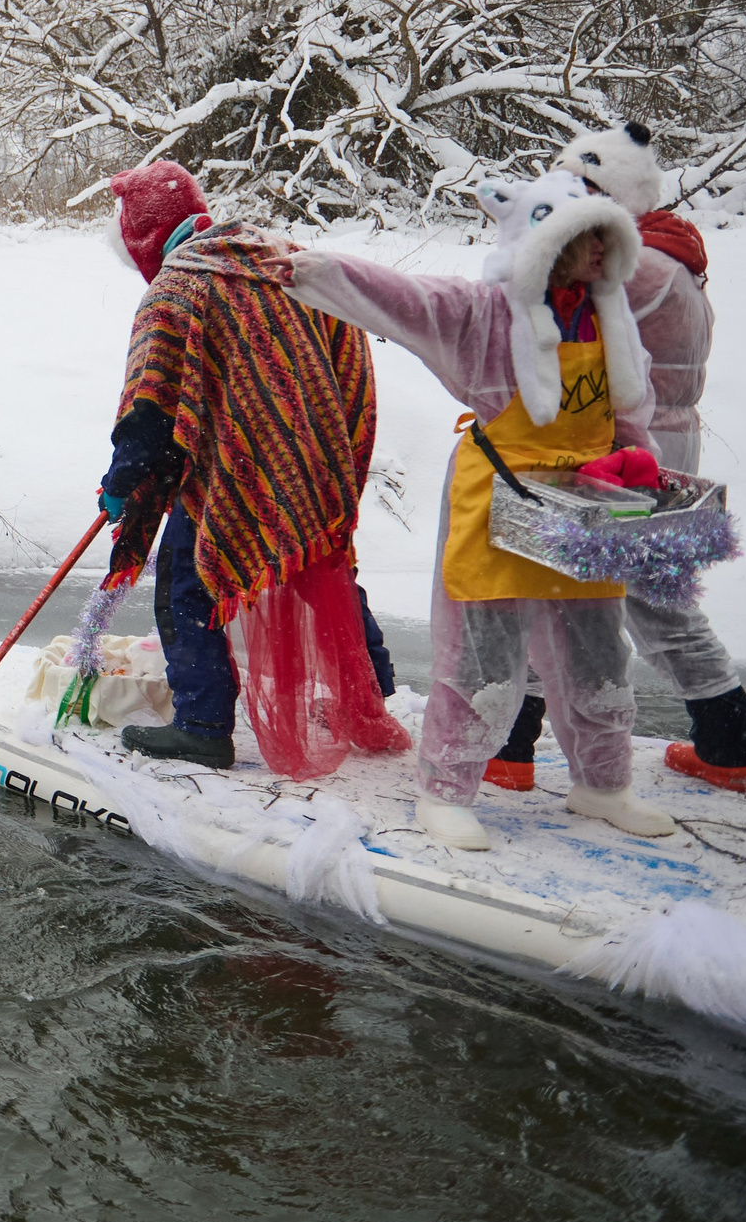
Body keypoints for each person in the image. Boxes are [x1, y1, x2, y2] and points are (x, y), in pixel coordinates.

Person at [286, 169, 678, 851]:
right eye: (585, 239)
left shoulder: (607, 316)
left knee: (597, 656)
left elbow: (629, 411)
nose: (597, 254)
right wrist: (312, 269)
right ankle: (445, 789)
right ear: (547, 242)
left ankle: (604, 783)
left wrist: (643, 478)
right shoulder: (487, 313)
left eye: (603, 241)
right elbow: (404, 297)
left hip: (585, 506)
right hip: (502, 501)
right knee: (483, 660)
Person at [95, 162, 407, 777]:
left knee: (188, 584)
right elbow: (347, 344)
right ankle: (369, 701)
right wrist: (319, 440)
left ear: (143, 238)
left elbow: (150, 407)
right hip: (313, 459)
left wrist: (123, 482)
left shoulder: (177, 290)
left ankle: (204, 726)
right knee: (321, 566)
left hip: (232, 471)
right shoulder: (279, 256)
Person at [484, 123, 746, 794]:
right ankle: (729, 745)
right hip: (664, 441)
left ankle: (513, 747)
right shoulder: (679, 259)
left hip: (619, 450)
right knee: (635, 597)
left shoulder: (633, 265)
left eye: (582, 190)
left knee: (565, 587)